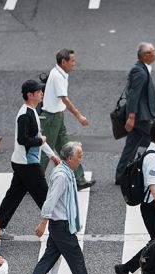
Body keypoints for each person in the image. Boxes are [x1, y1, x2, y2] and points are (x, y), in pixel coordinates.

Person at [18, 142, 109, 274]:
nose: (81, 159)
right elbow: (50, 200)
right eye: (79, 156)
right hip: (61, 225)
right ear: (69, 158)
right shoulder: (61, 176)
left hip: (60, 224)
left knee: (49, 257)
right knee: (76, 259)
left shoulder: (66, 171)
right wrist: (42, 223)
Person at [114, 120, 155, 274]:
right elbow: (152, 184)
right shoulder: (153, 158)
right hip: (153, 206)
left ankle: (127, 268)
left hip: (154, 205)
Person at [0, 80, 50, 237]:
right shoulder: (25, 115)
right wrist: (41, 141)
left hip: (23, 162)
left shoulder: (32, 111)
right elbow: (23, 139)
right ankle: (60, 227)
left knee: (14, 196)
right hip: (27, 164)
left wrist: (51, 155)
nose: (42, 94)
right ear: (30, 95)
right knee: (45, 197)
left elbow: (36, 136)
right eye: (39, 92)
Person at [39, 48, 94, 190]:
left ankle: (79, 179)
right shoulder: (57, 76)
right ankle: (35, 180)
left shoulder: (61, 73)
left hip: (57, 117)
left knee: (67, 148)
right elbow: (65, 100)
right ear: (63, 62)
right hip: (51, 118)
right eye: (72, 61)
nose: (74, 64)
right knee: (47, 151)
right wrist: (79, 116)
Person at [115, 42, 155, 184]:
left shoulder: (142, 68)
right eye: (152, 52)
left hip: (140, 115)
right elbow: (133, 95)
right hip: (141, 116)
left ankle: (121, 175)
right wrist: (131, 117)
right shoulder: (140, 71)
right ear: (144, 55)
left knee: (131, 145)